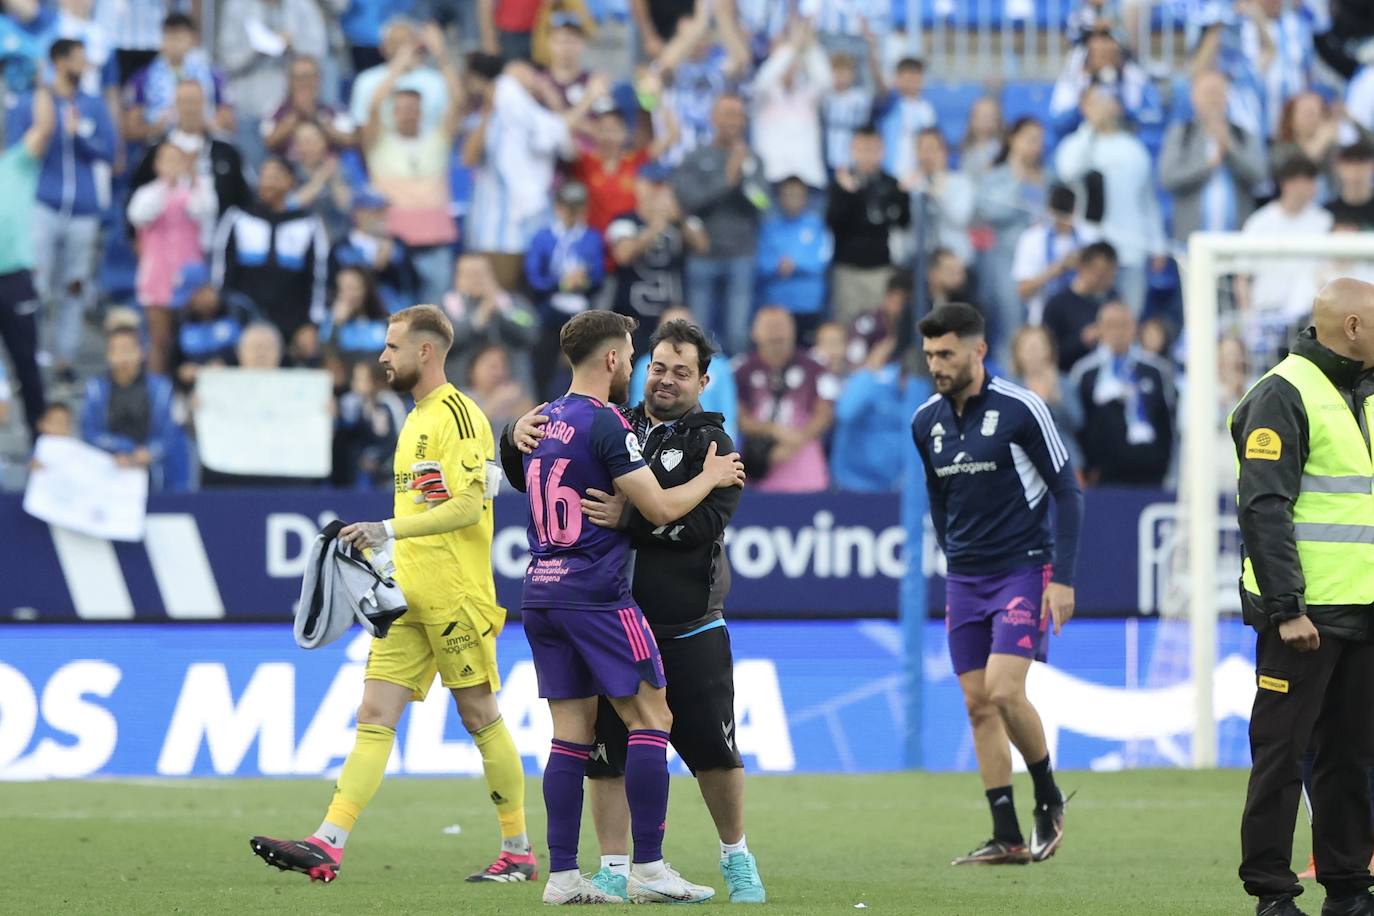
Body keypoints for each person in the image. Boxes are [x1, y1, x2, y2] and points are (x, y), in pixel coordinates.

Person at [249, 304, 536, 885]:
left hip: (457, 596)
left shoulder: (458, 415)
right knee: (374, 714)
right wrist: (381, 553)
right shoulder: (414, 419)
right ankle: (328, 843)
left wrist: (387, 529)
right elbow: (424, 508)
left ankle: (519, 851)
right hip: (406, 595)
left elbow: (464, 507)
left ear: (425, 351)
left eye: (392, 346)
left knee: (480, 715)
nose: (382, 356)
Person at [501, 318, 765, 904]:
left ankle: (733, 854)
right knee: (608, 751)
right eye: (657, 366)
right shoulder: (615, 423)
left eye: (680, 371)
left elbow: (696, 527)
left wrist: (630, 518)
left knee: (713, 753)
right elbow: (528, 466)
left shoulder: (714, 445)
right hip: (606, 612)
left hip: (677, 622)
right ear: (627, 363)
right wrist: (509, 431)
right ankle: (629, 867)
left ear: (703, 380)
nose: (665, 379)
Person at [910, 302, 1082, 866]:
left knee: (1006, 690)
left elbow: (1068, 491)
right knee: (977, 704)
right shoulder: (925, 422)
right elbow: (939, 500)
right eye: (931, 353)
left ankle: (1049, 799)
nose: (937, 364)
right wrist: (952, 553)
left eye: (947, 353)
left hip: (1023, 569)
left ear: (978, 351)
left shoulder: (1021, 409)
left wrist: (1064, 580)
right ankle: (1006, 834)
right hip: (965, 576)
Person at [1233, 278, 1374, 916]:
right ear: (1351, 328)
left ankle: (1347, 891)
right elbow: (1265, 510)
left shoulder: (1363, 394)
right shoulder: (1281, 395)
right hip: (1305, 620)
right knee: (1282, 756)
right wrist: (1287, 608)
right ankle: (1271, 894)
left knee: (1350, 759)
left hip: (1363, 616)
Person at [8, 39, 115, 389]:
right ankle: (30, 356)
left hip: (83, 210)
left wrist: (79, 137)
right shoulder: (33, 104)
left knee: (74, 287)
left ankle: (65, 359)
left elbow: (110, 151)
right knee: (35, 286)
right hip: (44, 206)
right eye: (78, 60)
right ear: (59, 61)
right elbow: (18, 153)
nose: (84, 66)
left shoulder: (93, 105)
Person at [362, 23, 467, 307]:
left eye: (414, 108)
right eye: (402, 107)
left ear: (422, 112)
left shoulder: (436, 138)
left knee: (434, 319)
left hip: (435, 239)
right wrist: (400, 63)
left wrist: (442, 56)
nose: (408, 113)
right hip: (393, 241)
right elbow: (372, 107)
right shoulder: (378, 142)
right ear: (393, 112)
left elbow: (458, 102)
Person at [1053, 86, 1166, 315]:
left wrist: (1158, 245)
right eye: (1094, 102)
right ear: (1084, 107)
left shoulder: (1134, 148)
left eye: (1106, 101)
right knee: (1089, 316)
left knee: (1129, 315)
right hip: (1091, 247)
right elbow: (1068, 171)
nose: (1102, 108)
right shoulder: (1075, 144)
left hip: (1131, 248)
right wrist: (1091, 127)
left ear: (1118, 106)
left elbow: (1147, 200)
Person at [672, 93, 765, 356]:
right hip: (704, 255)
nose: (732, 121)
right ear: (713, 118)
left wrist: (744, 181)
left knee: (737, 334)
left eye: (737, 115)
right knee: (697, 337)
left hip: (741, 254)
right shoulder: (695, 156)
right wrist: (727, 180)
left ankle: (736, 392)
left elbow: (762, 203)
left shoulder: (752, 159)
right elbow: (688, 200)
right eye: (726, 114)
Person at [211, 155, 330, 343]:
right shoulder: (237, 217)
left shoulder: (309, 223)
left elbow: (318, 276)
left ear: (291, 182)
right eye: (264, 176)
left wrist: (312, 323)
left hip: (293, 322)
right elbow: (222, 268)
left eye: (276, 176)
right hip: (243, 317)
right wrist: (222, 310)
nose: (268, 183)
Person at [127, 141, 218, 374]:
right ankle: (158, 390)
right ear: (157, 165)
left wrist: (194, 178)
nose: (172, 165)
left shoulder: (195, 192)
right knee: (160, 340)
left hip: (190, 275)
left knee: (192, 337)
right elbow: (140, 215)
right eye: (167, 160)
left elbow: (206, 209)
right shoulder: (147, 193)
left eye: (177, 160)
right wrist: (165, 186)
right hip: (157, 275)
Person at [1066, 301, 1176, 487]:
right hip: (1103, 479)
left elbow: (1169, 422)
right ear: (1099, 329)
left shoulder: (1156, 370)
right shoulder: (1084, 372)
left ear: (1134, 328)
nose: (1118, 332)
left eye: (1124, 325)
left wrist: (1169, 471)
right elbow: (1077, 425)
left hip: (1152, 474)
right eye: (1111, 325)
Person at [1237, 153, 1334, 361]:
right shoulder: (1259, 223)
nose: (1312, 186)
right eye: (1306, 180)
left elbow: (1328, 274)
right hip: (1265, 317)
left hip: (1309, 320)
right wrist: (1250, 321)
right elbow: (1242, 278)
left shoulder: (1324, 221)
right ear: (1287, 184)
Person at [0, 86, 56, 445]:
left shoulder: (16, 162)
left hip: (14, 278)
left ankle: (43, 447)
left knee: (27, 366)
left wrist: (38, 85)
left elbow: (46, 126)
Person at [607, 167, 708, 356]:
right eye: (653, 185)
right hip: (634, 316)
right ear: (639, 187)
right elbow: (623, 255)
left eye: (663, 186)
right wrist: (655, 226)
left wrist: (679, 219)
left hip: (671, 316)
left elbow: (703, 245)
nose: (658, 192)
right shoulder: (624, 220)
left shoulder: (682, 219)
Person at [735, 306, 837, 493]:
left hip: (806, 473)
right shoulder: (741, 370)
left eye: (781, 326)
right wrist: (774, 431)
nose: (776, 332)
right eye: (769, 327)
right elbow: (738, 418)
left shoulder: (815, 367)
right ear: (755, 332)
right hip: (759, 471)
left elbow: (825, 414)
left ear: (793, 329)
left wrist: (796, 441)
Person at [1159, 69, 1267, 244]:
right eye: (1207, 93)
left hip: (1237, 241)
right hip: (1192, 241)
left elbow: (1259, 176)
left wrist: (1230, 150)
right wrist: (1209, 165)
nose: (1213, 99)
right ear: (1194, 98)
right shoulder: (1181, 134)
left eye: (1218, 92)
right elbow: (1168, 179)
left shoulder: (1242, 135)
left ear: (1227, 97)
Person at [216, 0, 327, 168]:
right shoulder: (238, 6)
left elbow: (317, 52)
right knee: (253, 176)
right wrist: (260, 48)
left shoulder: (303, 5)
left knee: (289, 176)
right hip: (249, 110)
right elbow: (228, 59)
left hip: (289, 112)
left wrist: (292, 44)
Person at [826, 127, 908, 327]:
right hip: (847, 268)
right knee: (846, 325)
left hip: (880, 268)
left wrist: (903, 196)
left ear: (882, 151)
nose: (868, 155)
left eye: (873, 149)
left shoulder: (891, 183)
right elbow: (832, 223)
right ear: (853, 150)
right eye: (862, 149)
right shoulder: (841, 183)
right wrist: (850, 195)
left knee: (881, 326)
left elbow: (904, 223)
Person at [80, 326, 177, 490]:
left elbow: (169, 435)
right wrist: (119, 450)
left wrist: (149, 453)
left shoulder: (161, 388)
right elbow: (89, 433)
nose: (122, 356)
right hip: (108, 467)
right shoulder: (95, 389)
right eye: (115, 350)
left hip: (150, 468)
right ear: (108, 355)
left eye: (127, 349)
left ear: (141, 352)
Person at [629, 305, 738, 444]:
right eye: (658, 370)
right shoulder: (644, 363)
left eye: (681, 374)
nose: (667, 381)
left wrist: (722, 445)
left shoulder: (721, 366)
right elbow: (638, 405)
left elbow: (728, 415)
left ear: (702, 383)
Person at [750, 17, 831, 190]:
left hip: (808, 178)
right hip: (771, 178)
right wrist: (791, 47)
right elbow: (765, 78)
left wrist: (810, 46)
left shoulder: (809, 95)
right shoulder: (764, 95)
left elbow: (826, 81)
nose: (790, 64)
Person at [1010, 183, 1099, 327]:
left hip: (1083, 319)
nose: (1062, 221)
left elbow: (1103, 285)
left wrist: (1081, 267)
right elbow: (1022, 290)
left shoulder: (1089, 238)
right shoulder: (1031, 239)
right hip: (1044, 319)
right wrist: (1054, 271)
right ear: (1049, 210)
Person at [756, 175, 833, 342]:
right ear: (779, 198)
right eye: (788, 195)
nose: (792, 199)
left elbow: (822, 260)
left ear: (806, 197)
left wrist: (795, 265)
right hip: (776, 305)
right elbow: (760, 262)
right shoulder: (770, 228)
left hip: (808, 304)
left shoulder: (817, 226)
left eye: (797, 195)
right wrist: (776, 266)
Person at [1042, 240, 1119, 374]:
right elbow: (1047, 356)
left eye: (1109, 274)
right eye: (1100, 273)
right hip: (1068, 377)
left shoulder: (1113, 299)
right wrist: (1082, 340)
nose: (1104, 279)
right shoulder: (1057, 304)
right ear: (1082, 267)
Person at [262, 56, 357, 155]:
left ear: (319, 79)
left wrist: (320, 119)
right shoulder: (276, 110)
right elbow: (268, 142)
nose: (304, 83)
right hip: (289, 166)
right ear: (290, 81)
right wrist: (294, 117)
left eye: (309, 77)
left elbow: (350, 140)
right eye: (299, 77)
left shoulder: (335, 110)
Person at [874, 56, 935, 180]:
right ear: (897, 78)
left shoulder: (927, 109)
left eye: (915, 77)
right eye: (906, 77)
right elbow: (880, 86)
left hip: (915, 175)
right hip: (888, 172)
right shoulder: (889, 103)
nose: (910, 81)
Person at [321, 266, 389, 364]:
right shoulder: (329, 321)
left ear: (366, 289)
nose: (349, 294)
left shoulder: (383, 322)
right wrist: (337, 324)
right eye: (342, 289)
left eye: (353, 288)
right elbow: (328, 357)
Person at [1326, 140, 1374, 230]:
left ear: (1372, 166)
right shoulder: (1326, 214)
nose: (1355, 167)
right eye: (1349, 161)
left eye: (1361, 161)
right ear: (1338, 167)